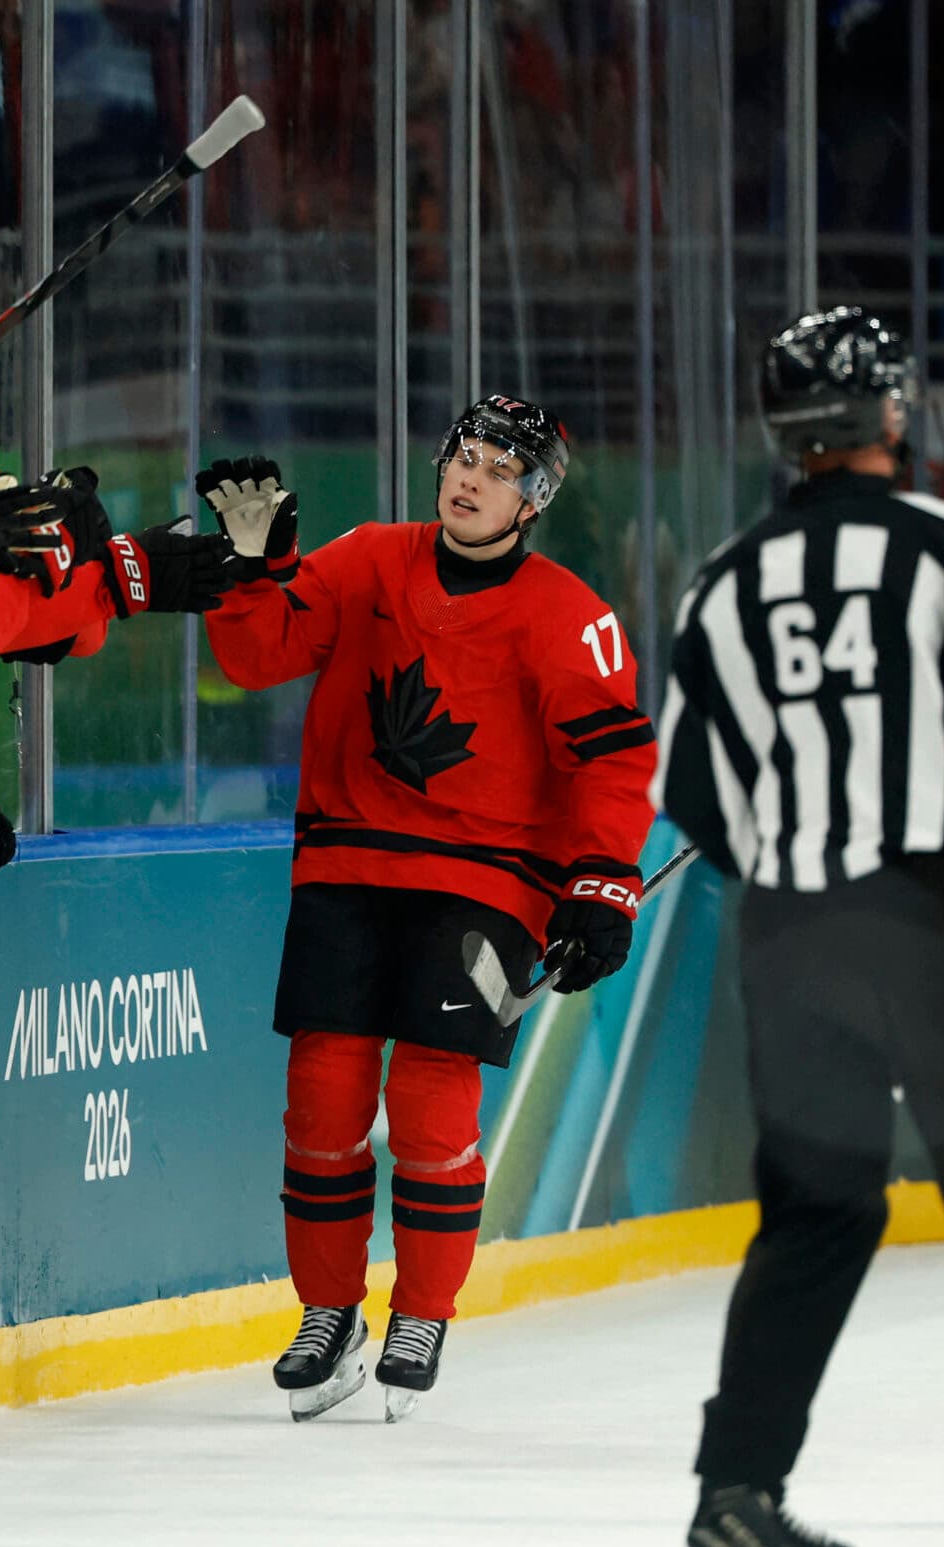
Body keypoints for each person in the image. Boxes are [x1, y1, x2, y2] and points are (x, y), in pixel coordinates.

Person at [652, 306, 944, 1547]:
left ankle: (735, 1491)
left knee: (818, 1211)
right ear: (890, 417)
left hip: (794, 922)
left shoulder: (725, 580)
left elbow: (689, 784)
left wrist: (792, 876)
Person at [199, 398, 659, 1422]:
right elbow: (255, 657)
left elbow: (612, 760)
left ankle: (423, 1309)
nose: (470, 477)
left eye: (500, 468)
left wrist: (598, 882)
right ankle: (327, 1311)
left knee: (431, 1100)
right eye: (463, 455)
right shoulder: (366, 560)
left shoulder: (565, 615)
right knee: (321, 1097)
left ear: (533, 499)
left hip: (487, 879)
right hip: (348, 862)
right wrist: (251, 570)